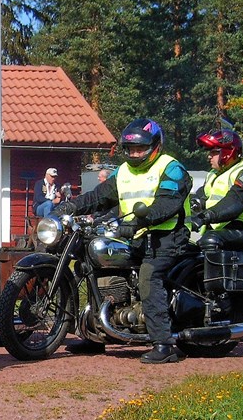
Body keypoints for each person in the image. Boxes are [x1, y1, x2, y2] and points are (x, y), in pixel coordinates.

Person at [54, 118, 193, 363]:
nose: (135, 154)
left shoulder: (171, 168)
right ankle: (95, 335)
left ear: (155, 146)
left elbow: (168, 203)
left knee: (149, 277)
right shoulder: (123, 171)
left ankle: (164, 344)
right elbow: (99, 196)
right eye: (130, 149)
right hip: (136, 235)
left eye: (141, 148)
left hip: (168, 236)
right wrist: (71, 206)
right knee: (93, 266)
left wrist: (140, 220)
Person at [189, 128, 243, 252]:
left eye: (214, 152)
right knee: (185, 247)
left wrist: (202, 218)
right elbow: (199, 199)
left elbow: (234, 203)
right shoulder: (213, 174)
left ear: (228, 153)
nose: (209, 156)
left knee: (210, 240)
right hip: (219, 229)